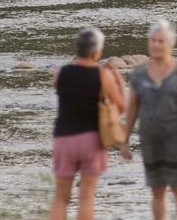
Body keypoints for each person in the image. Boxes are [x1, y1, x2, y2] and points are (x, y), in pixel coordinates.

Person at [121, 19, 177, 220]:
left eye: (160, 41)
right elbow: (132, 108)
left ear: (171, 44)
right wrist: (124, 140)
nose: (156, 45)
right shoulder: (139, 74)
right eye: (152, 40)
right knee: (157, 190)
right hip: (151, 141)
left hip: (176, 141)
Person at [50, 27, 126, 220]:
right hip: (92, 140)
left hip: (64, 139)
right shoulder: (102, 75)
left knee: (61, 197)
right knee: (86, 196)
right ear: (96, 52)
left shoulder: (60, 73)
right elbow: (121, 107)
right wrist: (117, 78)